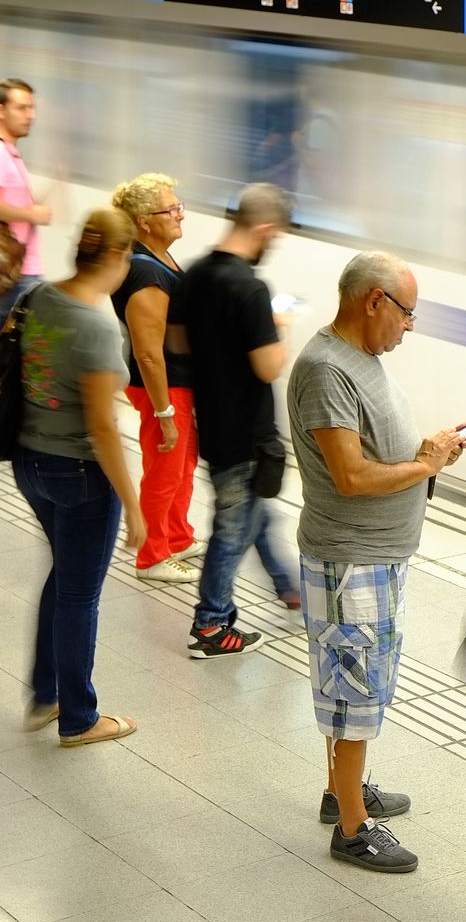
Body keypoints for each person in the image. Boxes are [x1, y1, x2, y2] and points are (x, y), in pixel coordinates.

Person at [287, 250, 465, 874]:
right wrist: (427, 465)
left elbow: (371, 454)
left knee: (353, 684)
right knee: (354, 691)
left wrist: (423, 452)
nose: (410, 326)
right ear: (373, 301)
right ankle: (352, 829)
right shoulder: (325, 369)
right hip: (350, 561)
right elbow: (352, 476)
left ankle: (344, 791)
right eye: (407, 313)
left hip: (374, 556)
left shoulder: (358, 360)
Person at [13, 207, 145, 744]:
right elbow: (101, 428)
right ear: (115, 256)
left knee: (63, 575)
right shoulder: (96, 322)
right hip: (80, 475)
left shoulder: (41, 295)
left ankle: (45, 694)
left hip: (29, 462)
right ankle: (79, 718)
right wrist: (133, 504)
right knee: (79, 595)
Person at [169, 182, 291, 659]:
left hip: (213, 424)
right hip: (246, 433)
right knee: (232, 527)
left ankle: (290, 586)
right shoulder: (250, 287)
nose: (271, 245)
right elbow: (268, 367)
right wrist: (277, 330)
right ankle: (212, 625)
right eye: (274, 237)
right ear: (263, 228)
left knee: (252, 515)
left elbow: (177, 344)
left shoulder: (194, 273)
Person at [111, 172, 200, 584]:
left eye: (178, 206)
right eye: (171, 209)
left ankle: (177, 537)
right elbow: (148, 353)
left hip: (177, 382)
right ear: (145, 220)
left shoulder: (160, 256)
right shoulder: (145, 272)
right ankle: (152, 556)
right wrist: (163, 410)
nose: (180, 214)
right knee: (164, 469)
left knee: (182, 465)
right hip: (161, 387)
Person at [0, 78, 50, 324]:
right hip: (12, 273)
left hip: (20, 269)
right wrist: (32, 214)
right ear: (1, 111)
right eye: (22, 108)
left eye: (32, 108)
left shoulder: (11, 153)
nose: (30, 115)